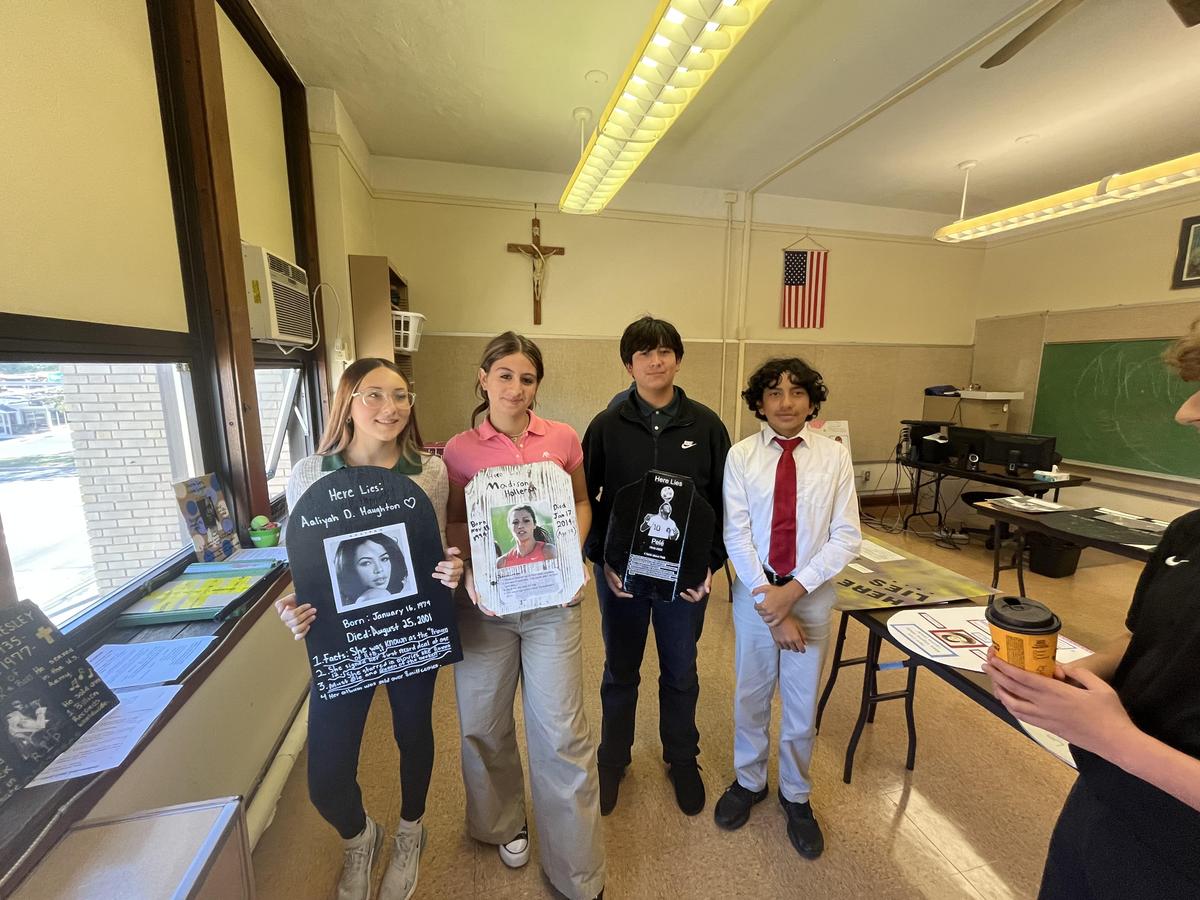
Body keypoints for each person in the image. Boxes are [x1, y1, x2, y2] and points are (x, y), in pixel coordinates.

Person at [982, 329, 1200, 898]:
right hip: (1105, 801)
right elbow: (1145, 640)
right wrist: (1067, 678)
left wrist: (1117, 738)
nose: (1186, 412)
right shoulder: (1189, 533)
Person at [274, 357, 463, 900]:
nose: (390, 407)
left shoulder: (430, 472)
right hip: (341, 641)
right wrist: (293, 607)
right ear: (348, 402)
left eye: (400, 395)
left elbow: (431, 552)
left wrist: (452, 571)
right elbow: (306, 565)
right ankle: (360, 836)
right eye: (374, 394)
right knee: (326, 776)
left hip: (410, 632)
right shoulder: (310, 474)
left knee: (413, 734)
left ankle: (410, 830)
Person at [444, 332, 605, 900]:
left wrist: (570, 555)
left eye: (527, 378)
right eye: (505, 375)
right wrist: (471, 569)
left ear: (538, 385)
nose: (516, 388)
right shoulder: (459, 451)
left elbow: (580, 502)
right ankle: (502, 823)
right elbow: (456, 522)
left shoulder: (562, 438)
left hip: (552, 608)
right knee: (482, 724)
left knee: (562, 731)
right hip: (485, 609)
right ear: (483, 378)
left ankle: (576, 866)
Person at [582, 315, 731, 817]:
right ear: (629, 364)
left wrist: (710, 564)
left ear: (678, 359)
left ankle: (682, 758)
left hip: (684, 580)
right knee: (620, 670)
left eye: (665, 351)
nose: (655, 361)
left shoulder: (706, 425)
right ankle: (612, 759)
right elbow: (586, 500)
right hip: (621, 578)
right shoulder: (606, 425)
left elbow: (725, 504)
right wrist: (602, 559)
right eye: (644, 353)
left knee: (681, 670)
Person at [714, 357, 860, 860]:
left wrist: (791, 593)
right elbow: (736, 535)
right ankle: (749, 781)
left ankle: (796, 794)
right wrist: (769, 601)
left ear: (812, 402)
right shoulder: (741, 457)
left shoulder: (834, 457)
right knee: (750, 696)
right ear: (759, 402)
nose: (786, 402)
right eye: (774, 392)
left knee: (800, 707)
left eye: (797, 392)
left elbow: (846, 536)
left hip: (809, 599)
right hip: (755, 596)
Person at [334, 532, 407, 607]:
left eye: (384, 559)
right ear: (350, 569)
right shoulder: (378, 595)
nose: (379, 569)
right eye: (366, 563)